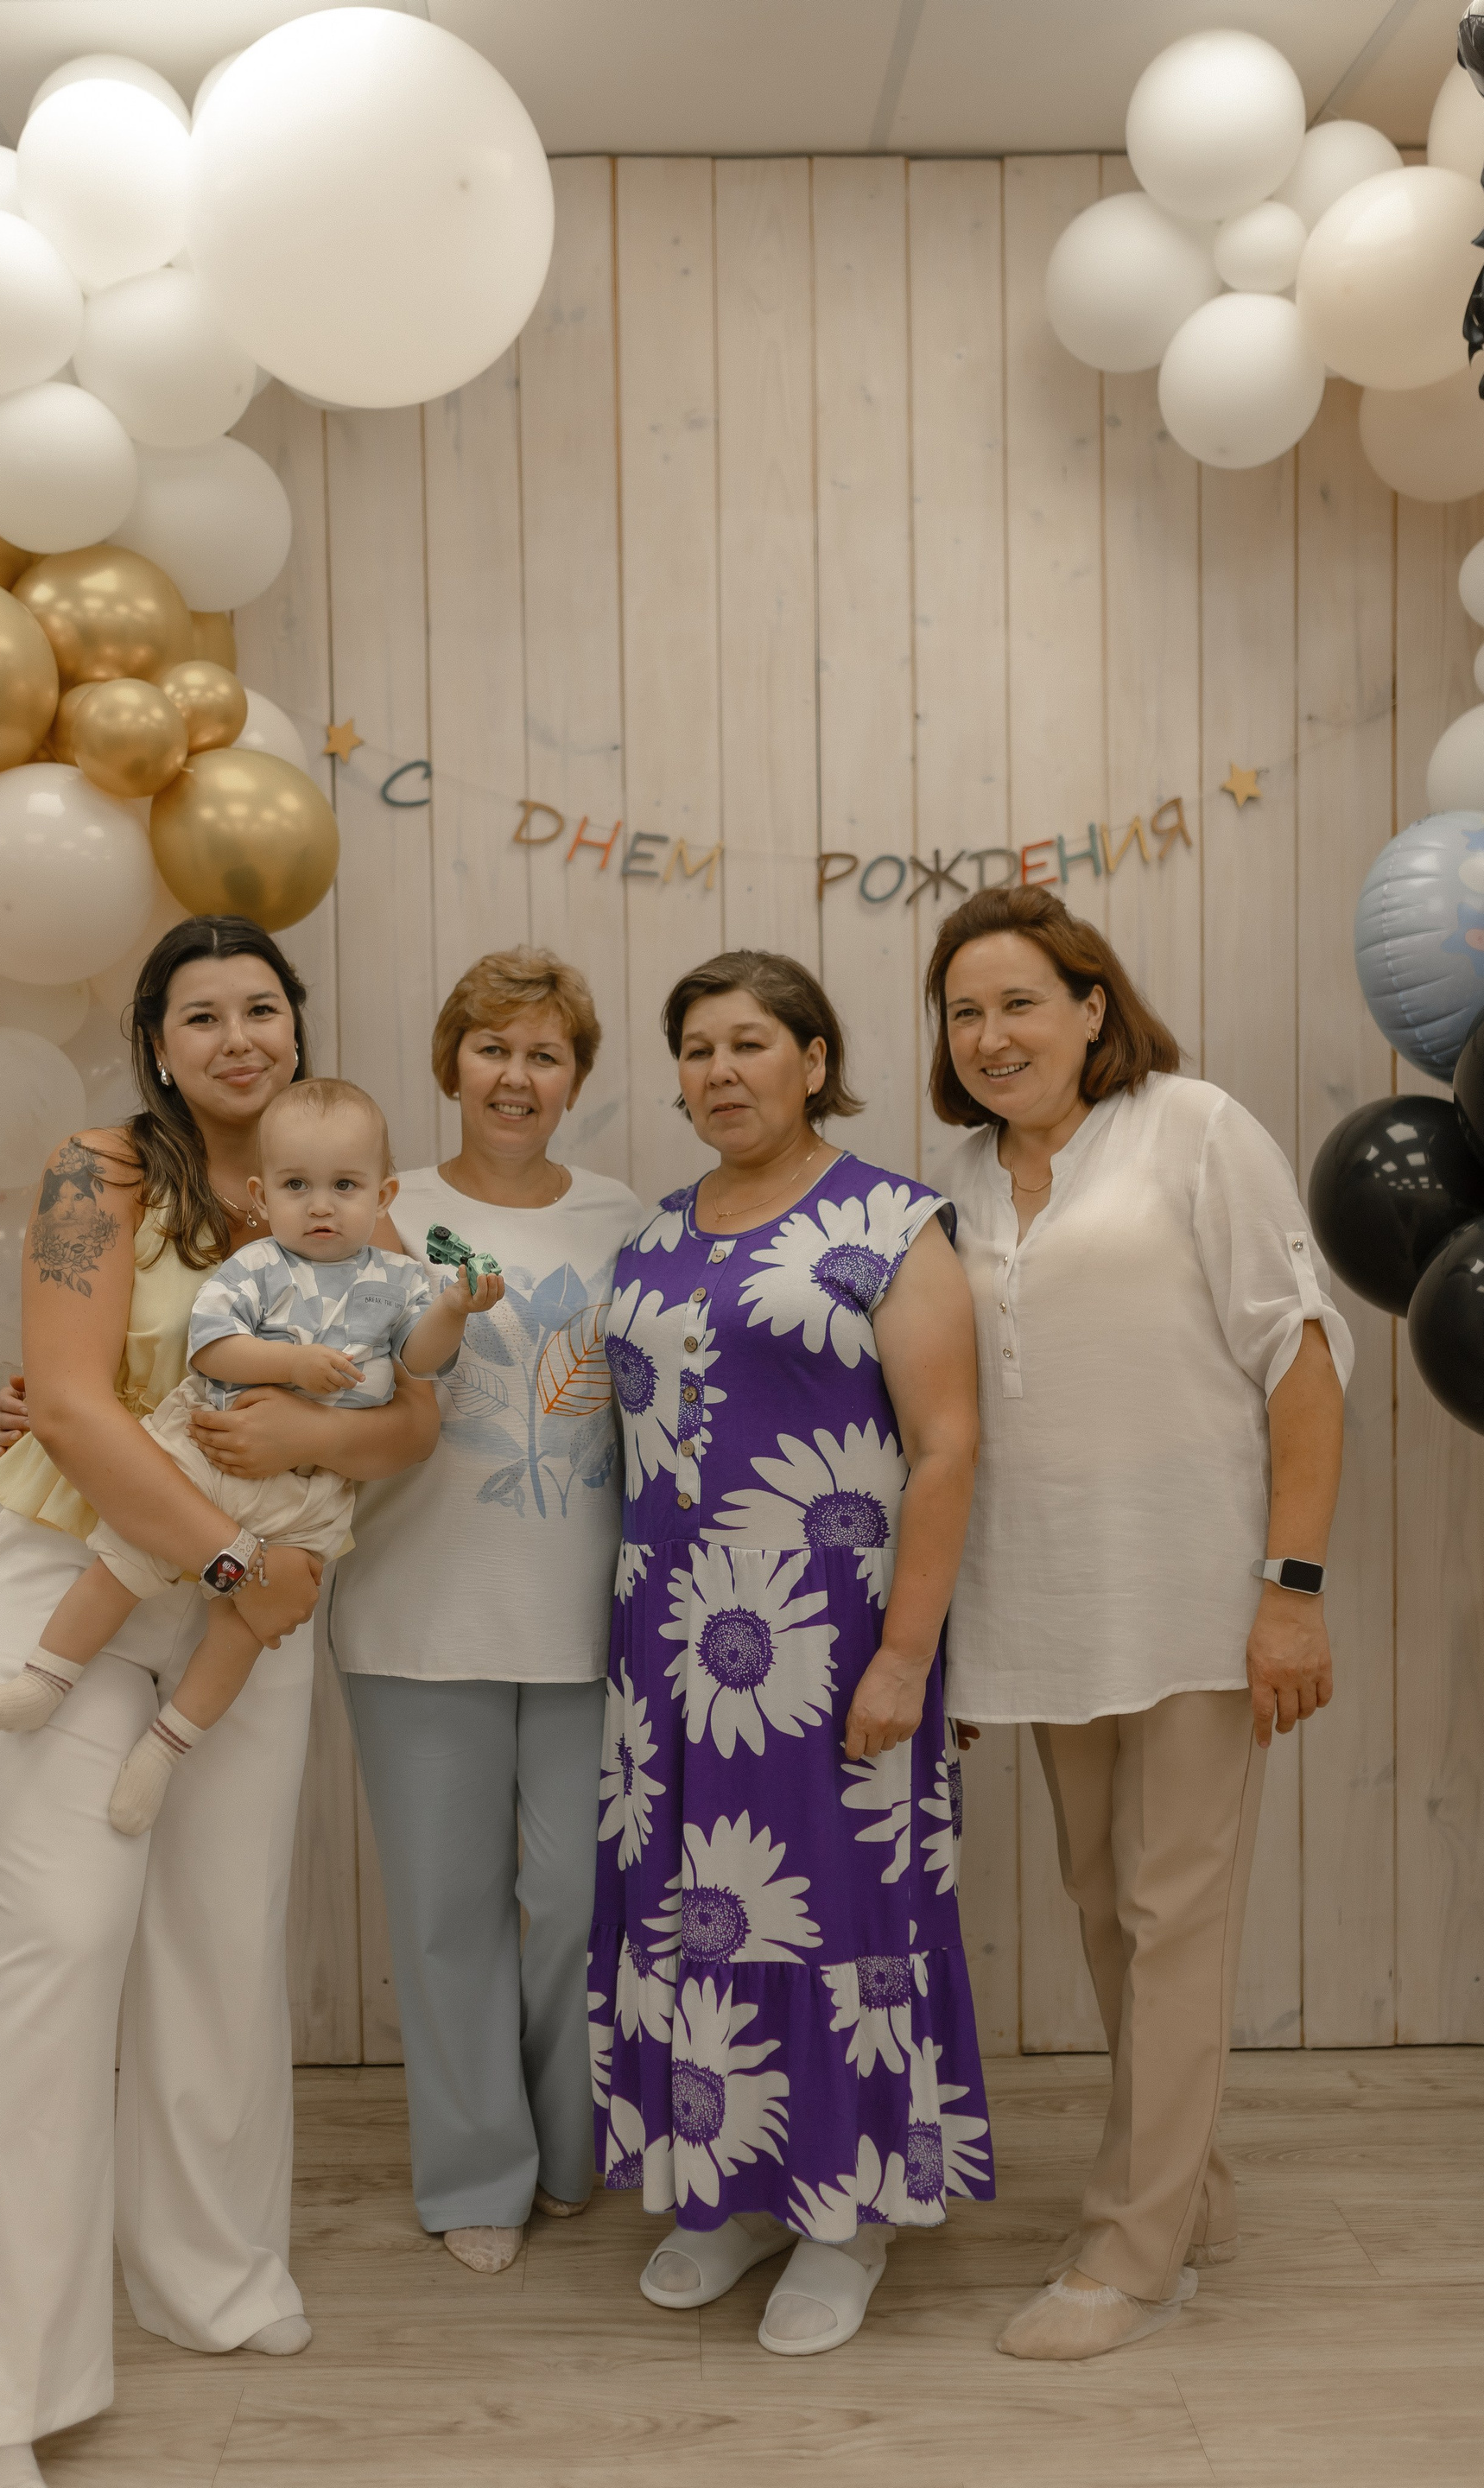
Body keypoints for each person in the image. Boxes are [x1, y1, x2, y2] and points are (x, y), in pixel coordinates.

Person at [0, 920, 440, 2488]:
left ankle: (212, 2277)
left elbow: (411, 1423)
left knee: (221, 1942)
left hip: (248, 1609)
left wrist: (304, 1459)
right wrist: (230, 1557)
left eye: (261, 1008)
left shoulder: (346, 1188)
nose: (236, 1037)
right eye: (200, 1016)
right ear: (156, 1043)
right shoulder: (99, 1175)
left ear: (296, 1027)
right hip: (90, 1576)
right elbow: (71, 1408)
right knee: (61, 1947)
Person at [924, 884, 1350, 2364]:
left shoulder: (1194, 1129)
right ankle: (1193, 2190)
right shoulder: (955, 1183)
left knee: (1174, 1915)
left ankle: (1133, 2252)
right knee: (1109, 1910)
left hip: (1196, 1600)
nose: (992, 1036)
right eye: (965, 1013)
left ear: (1092, 1005)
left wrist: (1292, 1593)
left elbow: (1302, 1359)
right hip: (1044, 1609)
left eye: (1020, 1002)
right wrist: (947, 1635)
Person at [592, 949, 993, 2358]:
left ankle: (846, 2215)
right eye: (697, 1047)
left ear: (814, 1061)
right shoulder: (651, 1235)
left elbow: (947, 1448)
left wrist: (906, 1657)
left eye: (751, 1042)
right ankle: (731, 2192)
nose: (721, 1071)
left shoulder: (891, 1220)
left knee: (841, 1923)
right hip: (668, 1656)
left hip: (830, 1648)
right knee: (697, 1912)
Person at [329, 949, 644, 2275]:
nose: (516, 1076)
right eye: (492, 1048)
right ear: (451, 1061)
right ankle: (475, 2175)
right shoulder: (377, 1207)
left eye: (544, 1054)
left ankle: (567, 2149)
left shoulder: (631, 1221)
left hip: (590, 1627)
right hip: (413, 1615)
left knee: (575, 1903)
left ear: (576, 1078)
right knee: (447, 1913)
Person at [0, 1079, 495, 1837]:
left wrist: (452, 1309)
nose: (321, 1206)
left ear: (383, 1196)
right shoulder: (255, 1263)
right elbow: (210, 1346)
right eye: (297, 1187)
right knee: (125, 1563)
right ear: (263, 1196)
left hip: (306, 1496)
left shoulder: (397, 1277)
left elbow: (419, 1366)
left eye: (345, 1188)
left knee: (242, 1634)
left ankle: (165, 1748)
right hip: (202, 1470)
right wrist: (292, 1366)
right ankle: (45, 1680)